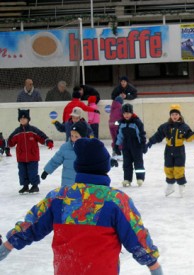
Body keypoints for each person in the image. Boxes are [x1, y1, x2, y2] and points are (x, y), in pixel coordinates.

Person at [0, 138, 163, 274]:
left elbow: (33, 223)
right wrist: (153, 265)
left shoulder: (59, 197)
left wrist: (7, 246)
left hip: (66, 269)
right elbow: (136, 234)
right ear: (105, 167)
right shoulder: (116, 200)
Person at [147, 104, 194, 197]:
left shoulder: (183, 127)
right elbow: (158, 135)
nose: (174, 116)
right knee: (168, 168)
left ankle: (181, 186)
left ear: (179, 115)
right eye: (172, 115)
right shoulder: (166, 126)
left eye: (176, 114)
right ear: (170, 116)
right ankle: (170, 185)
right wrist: (150, 142)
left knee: (179, 169)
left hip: (179, 150)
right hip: (168, 150)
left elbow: (188, 138)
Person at [7, 109, 54, 194]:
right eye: (21, 119)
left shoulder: (33, 130)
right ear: (19, 120)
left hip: (33, 156)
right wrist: (5, 143)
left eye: (24, 118)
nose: (23, 120)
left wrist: (48, 142)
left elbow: (42, 137)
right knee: (22, 172)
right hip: (21, 157)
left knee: (32, 172)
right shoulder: (17, 131)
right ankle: (25, 186)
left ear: (28, 119)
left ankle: (35, 186)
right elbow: (10, 141)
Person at [42, 121, 87, 187]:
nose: (73, 138)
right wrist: (46, 171)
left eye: (76, 136)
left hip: (83, 183)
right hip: (67, 183)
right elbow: (55, 160)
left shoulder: (87, 148)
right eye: (72, 136)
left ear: (82, 136)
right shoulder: (65, 147)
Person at [115, 103, 147, 187]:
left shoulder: (136, 122)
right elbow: (119, 135)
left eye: (128, 113)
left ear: (132, 113)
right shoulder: (121, 123)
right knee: (127, 163)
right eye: (124, 113)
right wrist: (116, 145)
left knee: (138, 162)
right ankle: (127, 179)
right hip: (126, 145)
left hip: (136, 145)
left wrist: (143, 145)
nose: (126, 115)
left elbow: (141, 134)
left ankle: (140, 178)